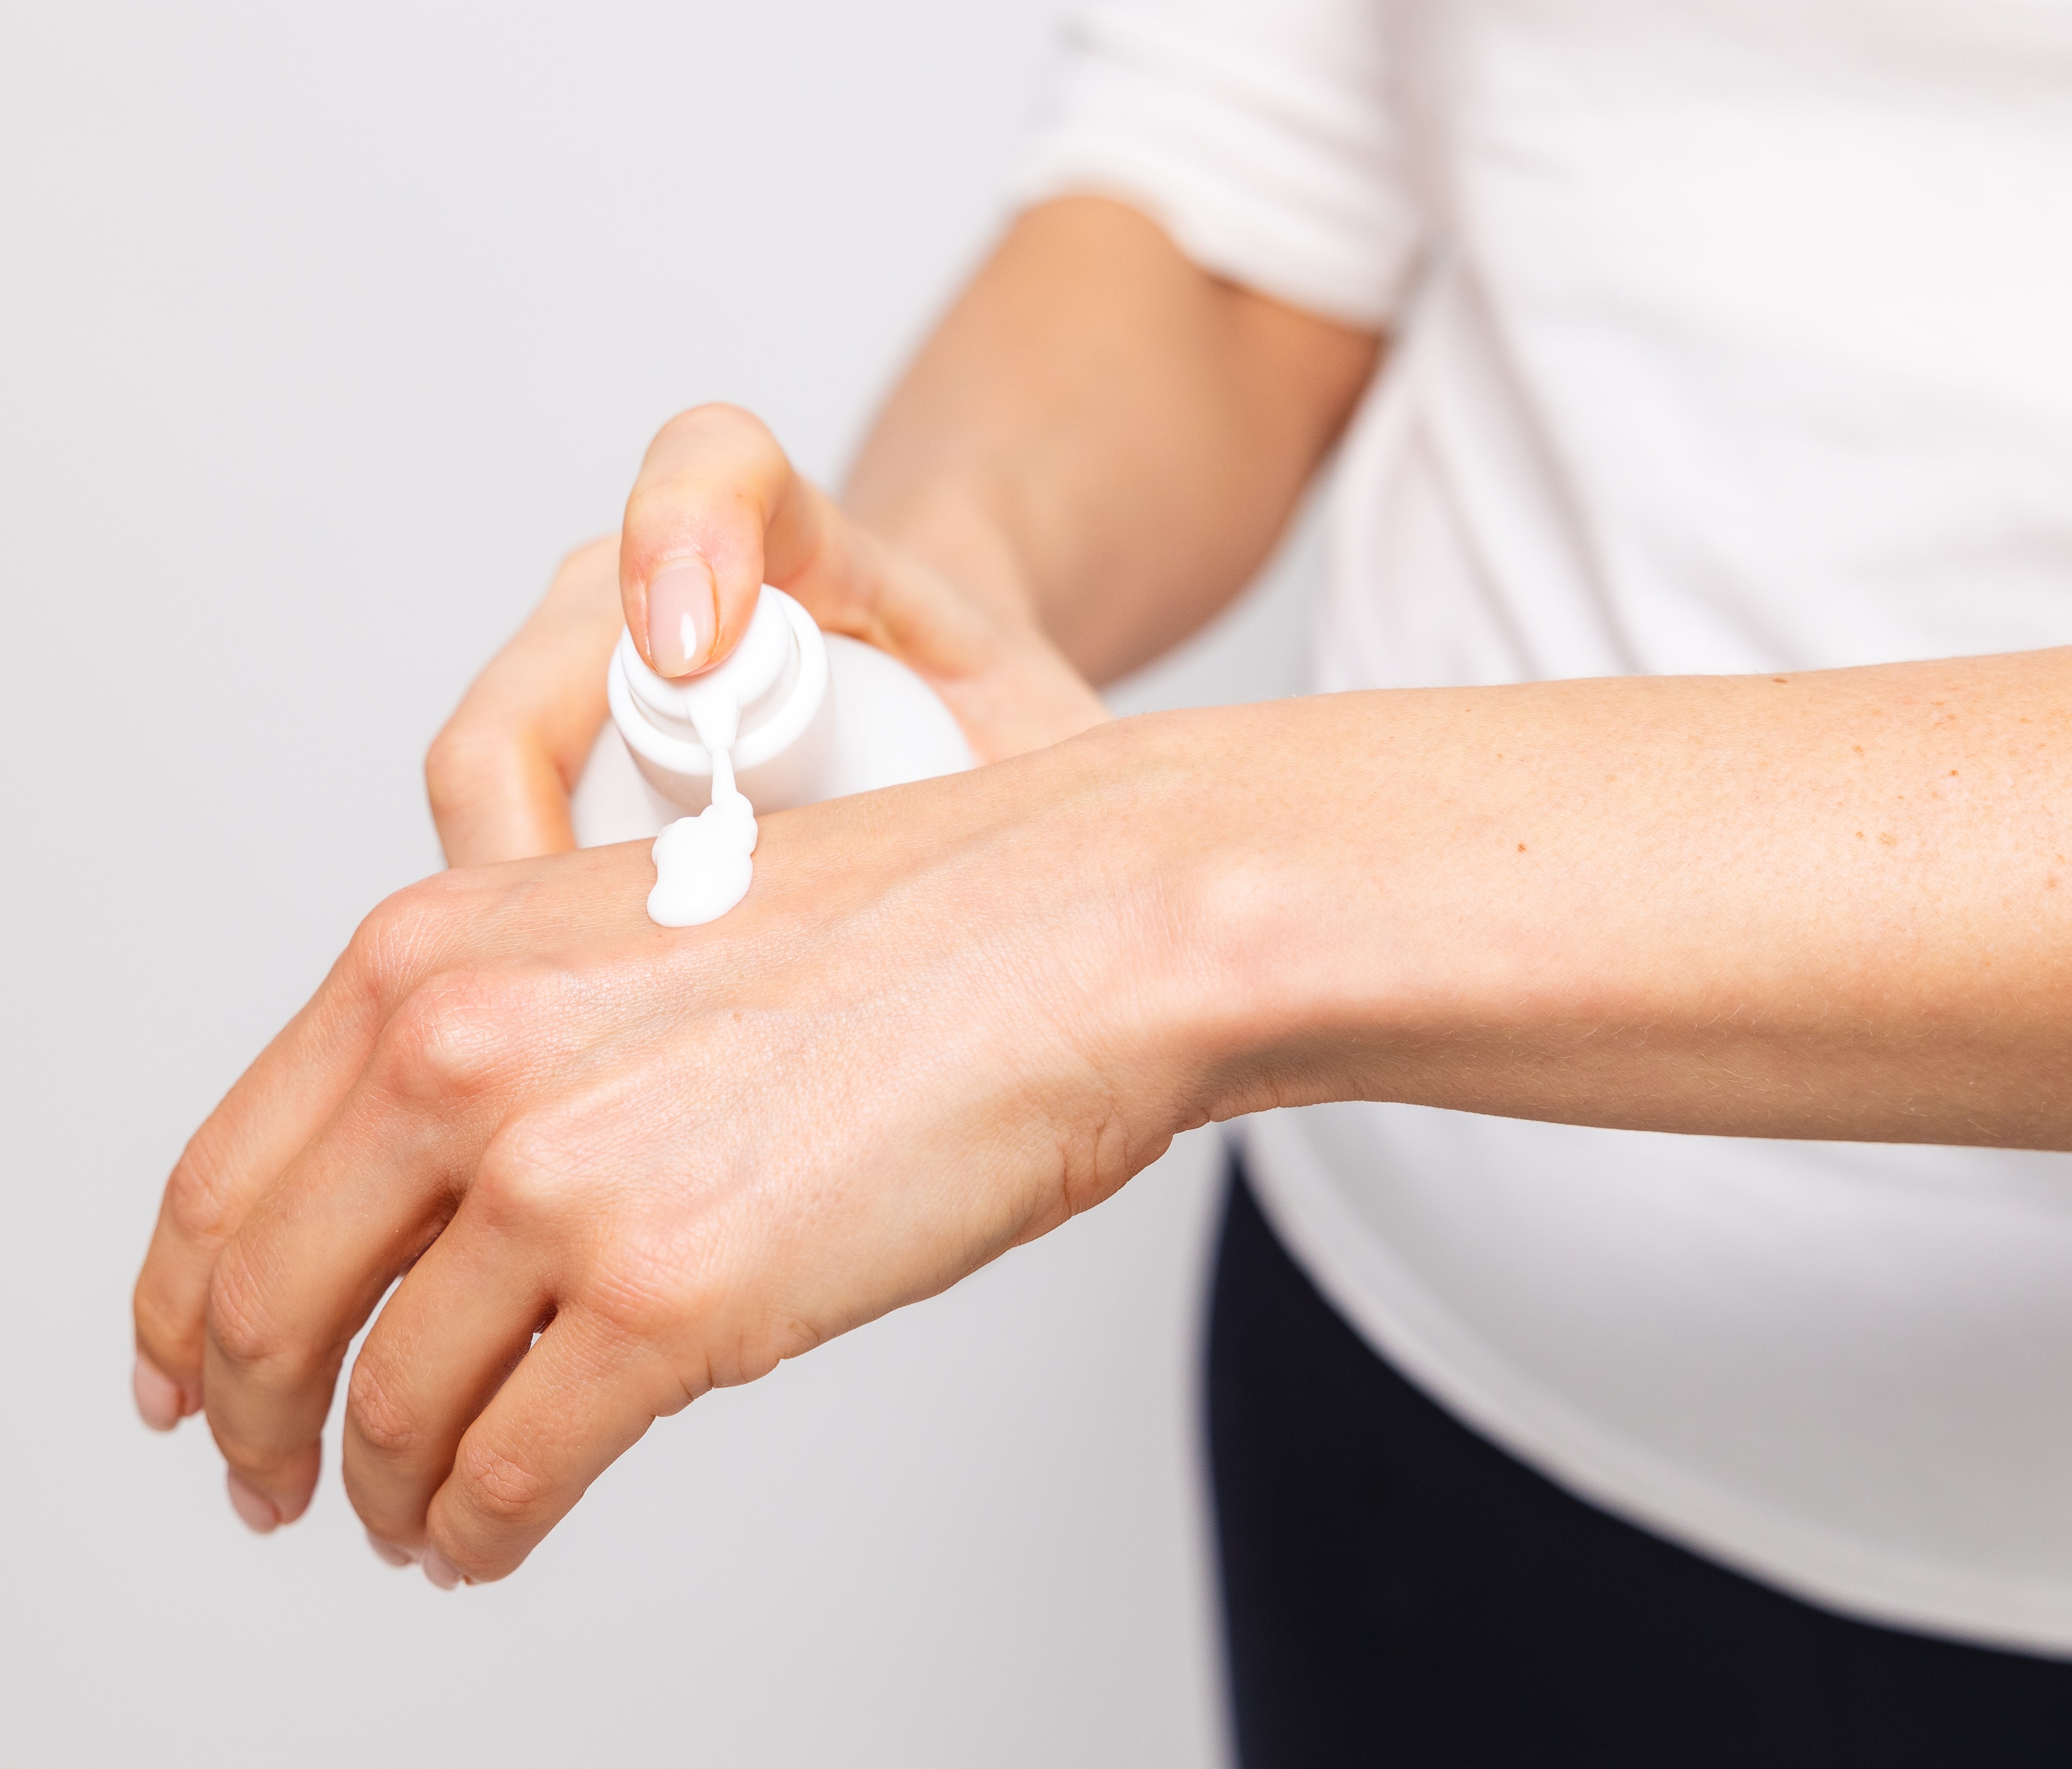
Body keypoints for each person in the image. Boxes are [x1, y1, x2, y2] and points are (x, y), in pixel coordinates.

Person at [130, 0, 2072, 1759]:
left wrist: (1172, 900)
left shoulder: (1179, 918)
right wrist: (897, 624)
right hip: (1422, 1407)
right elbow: (1259, 171)